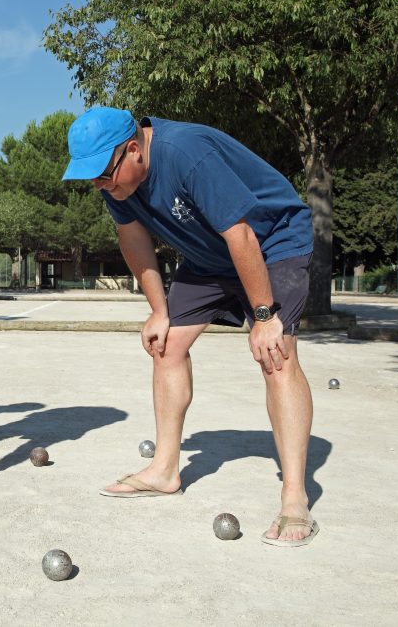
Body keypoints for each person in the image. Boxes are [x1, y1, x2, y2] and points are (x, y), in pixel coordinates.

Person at [63, 107, 319, 546]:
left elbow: (240, 233)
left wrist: (262, 316)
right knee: (167, 345)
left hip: (271, 241)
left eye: (104, 176)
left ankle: (295, 497)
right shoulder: (115, 179)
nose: (100, 186)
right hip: (210, 255)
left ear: (132, 150)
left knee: (275, 354)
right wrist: (159, 309)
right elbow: (133, 238)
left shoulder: (187, 154)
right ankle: (164, 469)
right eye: (93, 179)